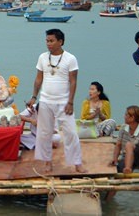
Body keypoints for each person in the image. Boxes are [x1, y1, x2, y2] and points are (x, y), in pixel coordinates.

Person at [26, 28, 86, 173]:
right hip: (45, 101)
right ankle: (48, 162)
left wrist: (70, 102)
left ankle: (77, 163)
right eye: (47, 41)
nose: (49, 44)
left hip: (64, 102)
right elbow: (38, 78)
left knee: (71, 132)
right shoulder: (42, 57)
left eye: (52, 41)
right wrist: (34, 97)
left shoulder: (70, 59)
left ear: (61, 42)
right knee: (44, 133)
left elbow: (73, 82)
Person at [110, 106, 139, 178]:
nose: (124, 117)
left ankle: (128, 167)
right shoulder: (123, 129)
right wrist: (115, 160)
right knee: (119, 168)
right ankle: (127, 168)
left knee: (129, 145)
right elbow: (118, 145)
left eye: (126, 115)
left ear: (132, 118)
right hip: (128, 156)